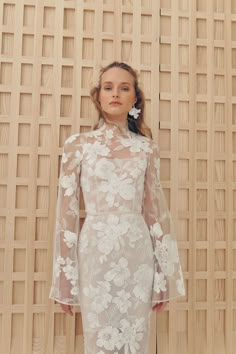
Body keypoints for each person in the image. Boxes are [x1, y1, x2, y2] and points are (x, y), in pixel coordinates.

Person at [49, 61, 185, 353]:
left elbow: (153, 213)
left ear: (134, 98)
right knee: (98, 336)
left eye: (124, 88)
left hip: (137, 254)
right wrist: (63, 279)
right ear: (98, 96)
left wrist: (163, 275)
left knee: (135, 337)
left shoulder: (146, 148)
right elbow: (66, 215)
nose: (115, 94)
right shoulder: (78, 145)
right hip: (95, 252)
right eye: (108, 87)